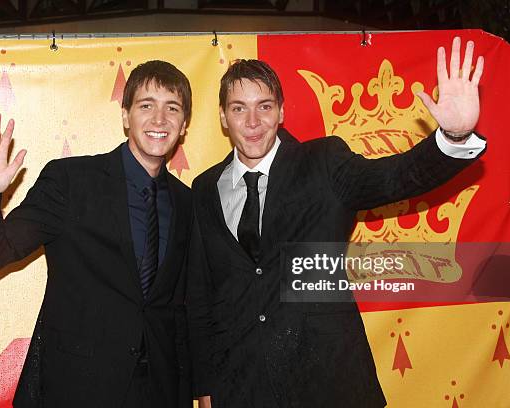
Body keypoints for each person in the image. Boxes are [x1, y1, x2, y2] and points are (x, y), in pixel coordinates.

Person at [187, 37, 486, 408]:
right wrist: (203, 386)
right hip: (242, 386)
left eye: (264, 106)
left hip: (329, 383)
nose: (252, 122)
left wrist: (454, 137)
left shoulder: (324, 163)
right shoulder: (202, 189)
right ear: (222, 117)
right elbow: (200, 299)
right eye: (238, 108)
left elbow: (396, 177)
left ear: (281, 112)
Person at [0, 60, 193, 408]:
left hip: (159, 389)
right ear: (126, 116)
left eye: (171, 108)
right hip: (77, 386)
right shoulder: (71, 181)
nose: (159, 119)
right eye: (146, 105)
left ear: (183, 125)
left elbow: (182, 307)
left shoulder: (187, 201)